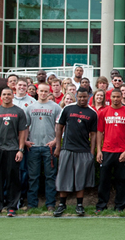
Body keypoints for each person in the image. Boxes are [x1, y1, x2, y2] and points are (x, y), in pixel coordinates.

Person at [52, 88, 98, 217]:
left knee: (80, 178)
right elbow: (59, 127)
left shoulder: (92, 113)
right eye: (80, 97)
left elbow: (93, 134)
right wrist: (58, 147)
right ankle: (62, 204)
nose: (82, 99)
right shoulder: (67, 109)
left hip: (83, 150)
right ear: (76, 96)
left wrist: (91, 152)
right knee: (64, 177)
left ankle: (79, 205)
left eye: (85, 97)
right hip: (67, 148)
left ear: (88, 96)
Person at [0, 87, 28, 217]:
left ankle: (12, 206)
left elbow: (22, 133)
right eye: (4, 94)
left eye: (9, 94)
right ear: (1, 97)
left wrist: (20, 150)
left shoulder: (19, 112)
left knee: (12, 179)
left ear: (12, 96)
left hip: (13, 149)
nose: (6, 96)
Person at [95, 89, 125, 212]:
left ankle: (120, 206)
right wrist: (98, 150)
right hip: (107, 151)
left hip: (121, 152)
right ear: (110, 98)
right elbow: (99, 132)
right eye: (114, 97)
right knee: (103, 181)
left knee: (122, 180)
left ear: (122, 97)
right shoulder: (103, 112)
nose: (116, 99)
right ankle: (101, 206)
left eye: (118, 96)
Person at [24, 84, 62, 210]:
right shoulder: (30, 107)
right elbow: (25, 126)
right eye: (41, 91)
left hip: (49, 147)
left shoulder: (55, 107)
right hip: (34, 146)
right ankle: (32, 203)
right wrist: (25, 141)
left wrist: (56, 141)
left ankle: (50, 203)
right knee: (33, 176)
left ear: (48, 92)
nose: (43, 93)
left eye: (46, 91)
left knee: (50, 177)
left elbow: (60, 127)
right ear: (37, 91)